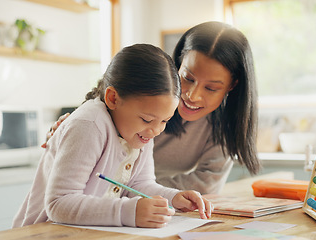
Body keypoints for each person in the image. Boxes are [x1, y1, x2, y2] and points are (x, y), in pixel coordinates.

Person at [44, 21, 260, 195]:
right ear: (177, 64)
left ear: (232, 86)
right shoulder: (138, 100)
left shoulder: (223, 126)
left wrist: (134, 188)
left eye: (211, 88)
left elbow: (206, 184)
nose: (192, 95)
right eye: (187, 78)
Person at [13, 44, 212, 229]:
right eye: (146, 119)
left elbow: (139, 185)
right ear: (112, 98)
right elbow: (59, 203)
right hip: (42, 232)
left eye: (165, 121)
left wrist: (174, 198)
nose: (156, 131)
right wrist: (127, 211)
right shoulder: (89, 125)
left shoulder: (142, 132)